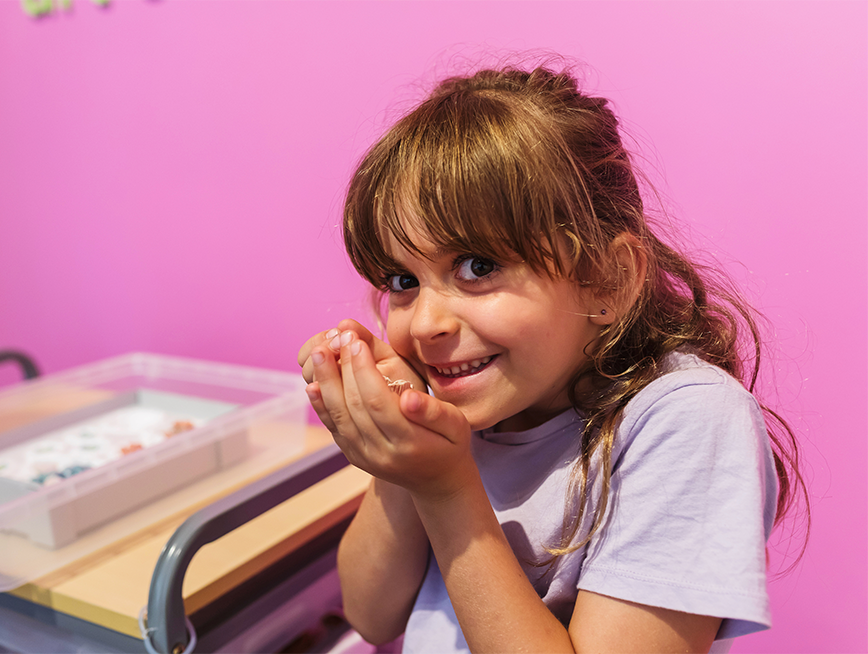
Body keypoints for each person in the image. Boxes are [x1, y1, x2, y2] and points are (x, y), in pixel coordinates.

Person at [297, 63, 806, 653]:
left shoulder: (685, 420)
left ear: (608, 280)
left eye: (477, 267)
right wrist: (399, 452)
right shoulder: (466, 404)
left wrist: (444, 486)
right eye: (401, 280)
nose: (429, 323)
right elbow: (371, 613)